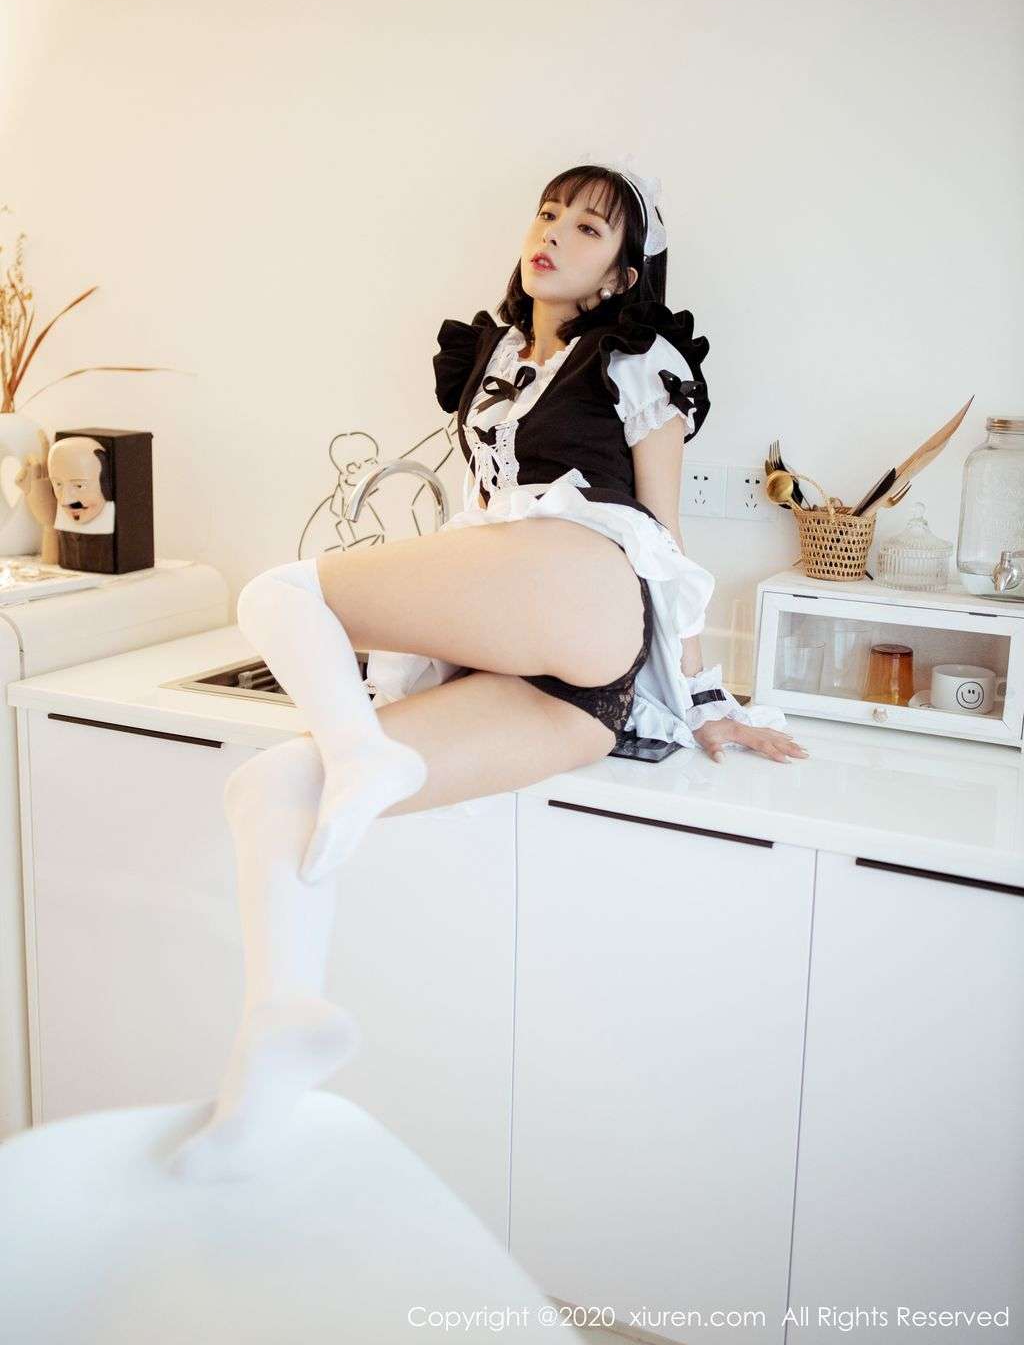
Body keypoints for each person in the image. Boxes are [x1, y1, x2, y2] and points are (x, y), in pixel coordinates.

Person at [170, 160, 808, 1182]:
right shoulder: (492, 357)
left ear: (623, 273)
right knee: (271, 790)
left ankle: (361, 751)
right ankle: (276, 1039)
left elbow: (665, 529)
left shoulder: (638, 361)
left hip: (590, 596)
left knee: (280, 595)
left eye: (589, 227)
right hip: (565, 693)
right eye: (548, 213)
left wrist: (701, 699)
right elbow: (479, 517)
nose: (553, 232)